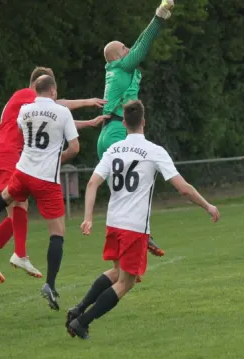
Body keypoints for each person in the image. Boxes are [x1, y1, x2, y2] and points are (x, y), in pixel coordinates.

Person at [66, 100, 220, 339]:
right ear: (144, 122)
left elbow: (92, 183)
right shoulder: (154, 151)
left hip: (114, 222)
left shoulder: (113, 150)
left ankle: (78, 308)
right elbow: (183, 189)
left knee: (117, 272)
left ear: (124, 123)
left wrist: (87, 217)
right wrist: (207, 205)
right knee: (126, 282)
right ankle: (82, 321)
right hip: (134, 227)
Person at [0, 66, 107, 282]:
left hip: (1, 154)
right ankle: (14, 253)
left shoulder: (26, 104)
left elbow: (55, 121)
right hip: (9, 154)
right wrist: (87, 102)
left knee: (12, 203)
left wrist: (88, 123)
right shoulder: (27, 95)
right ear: (39, 86)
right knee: (18, 206)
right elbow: (58, 107)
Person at [0, 75, 80, 310]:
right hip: (45, 177)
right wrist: (57, 158)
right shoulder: (62, 112)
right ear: (53, 91)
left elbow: (27, 135)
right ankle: (49, 284)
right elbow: (74, 147)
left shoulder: (25, 110)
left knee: (5, 199)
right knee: (57, 232)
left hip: (23, 171)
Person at [98, 0, 175, 258]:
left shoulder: (115, 69)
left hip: (106, 134)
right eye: (124, 48)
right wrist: (159, 16)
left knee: (120, 196)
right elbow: (142, 46)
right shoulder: (122, 66)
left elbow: (137, 42)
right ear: (118, 56)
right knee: (137, 188)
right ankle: (140, 240)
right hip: (120, 131)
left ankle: (124, 253)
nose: (128, 48)